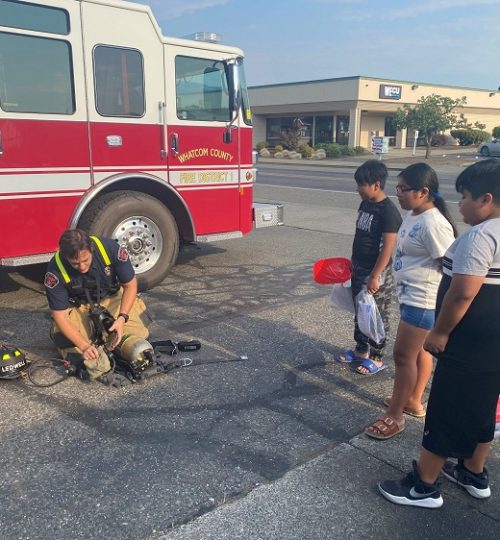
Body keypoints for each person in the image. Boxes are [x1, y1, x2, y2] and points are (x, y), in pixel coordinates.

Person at [378, 158, 500, 508]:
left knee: (446, 409)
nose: (459, 204)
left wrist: (442, 332)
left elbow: (463, 292)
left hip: (468, 339)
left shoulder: (481, 236)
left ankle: (424, 486)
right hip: (493, 342)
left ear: (486, 199)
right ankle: (473, 471)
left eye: (464, 196)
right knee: (484, 406)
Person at [365, 163, 456, 440]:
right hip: (411, 297)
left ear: (423, 191)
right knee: (419, 354)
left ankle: (395, 415)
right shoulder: (415, 214)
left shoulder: (433, 223)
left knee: (403, 356)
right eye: (398, 188)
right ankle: (414, 401)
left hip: (423, 301)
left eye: (403, 189)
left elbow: (450, 267)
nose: (399, 193)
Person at [44, 229, 150, 387]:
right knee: (66, 339)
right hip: (80, 308)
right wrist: (84, 346)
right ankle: (99, 360)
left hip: (112, 299)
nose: (81, 266)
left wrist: (122, 318)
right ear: (65, 256)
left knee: (139, 337)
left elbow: (130, 285)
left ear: (91, 249)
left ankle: (116, 342)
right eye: (75, 263)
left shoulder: (110, 248)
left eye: (85, 260)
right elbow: (61, 317)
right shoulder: (55, 270)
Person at [336, 160, 402, 375]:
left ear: (375, 184)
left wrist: (375, 275)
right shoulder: (365, 204)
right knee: (360, 311)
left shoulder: (388, 211)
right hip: (359, 267)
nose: (358, 189)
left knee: (377, 314)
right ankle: (361, 350)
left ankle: (377, 356)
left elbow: (388, 247)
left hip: (377, 272)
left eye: (361, 184)